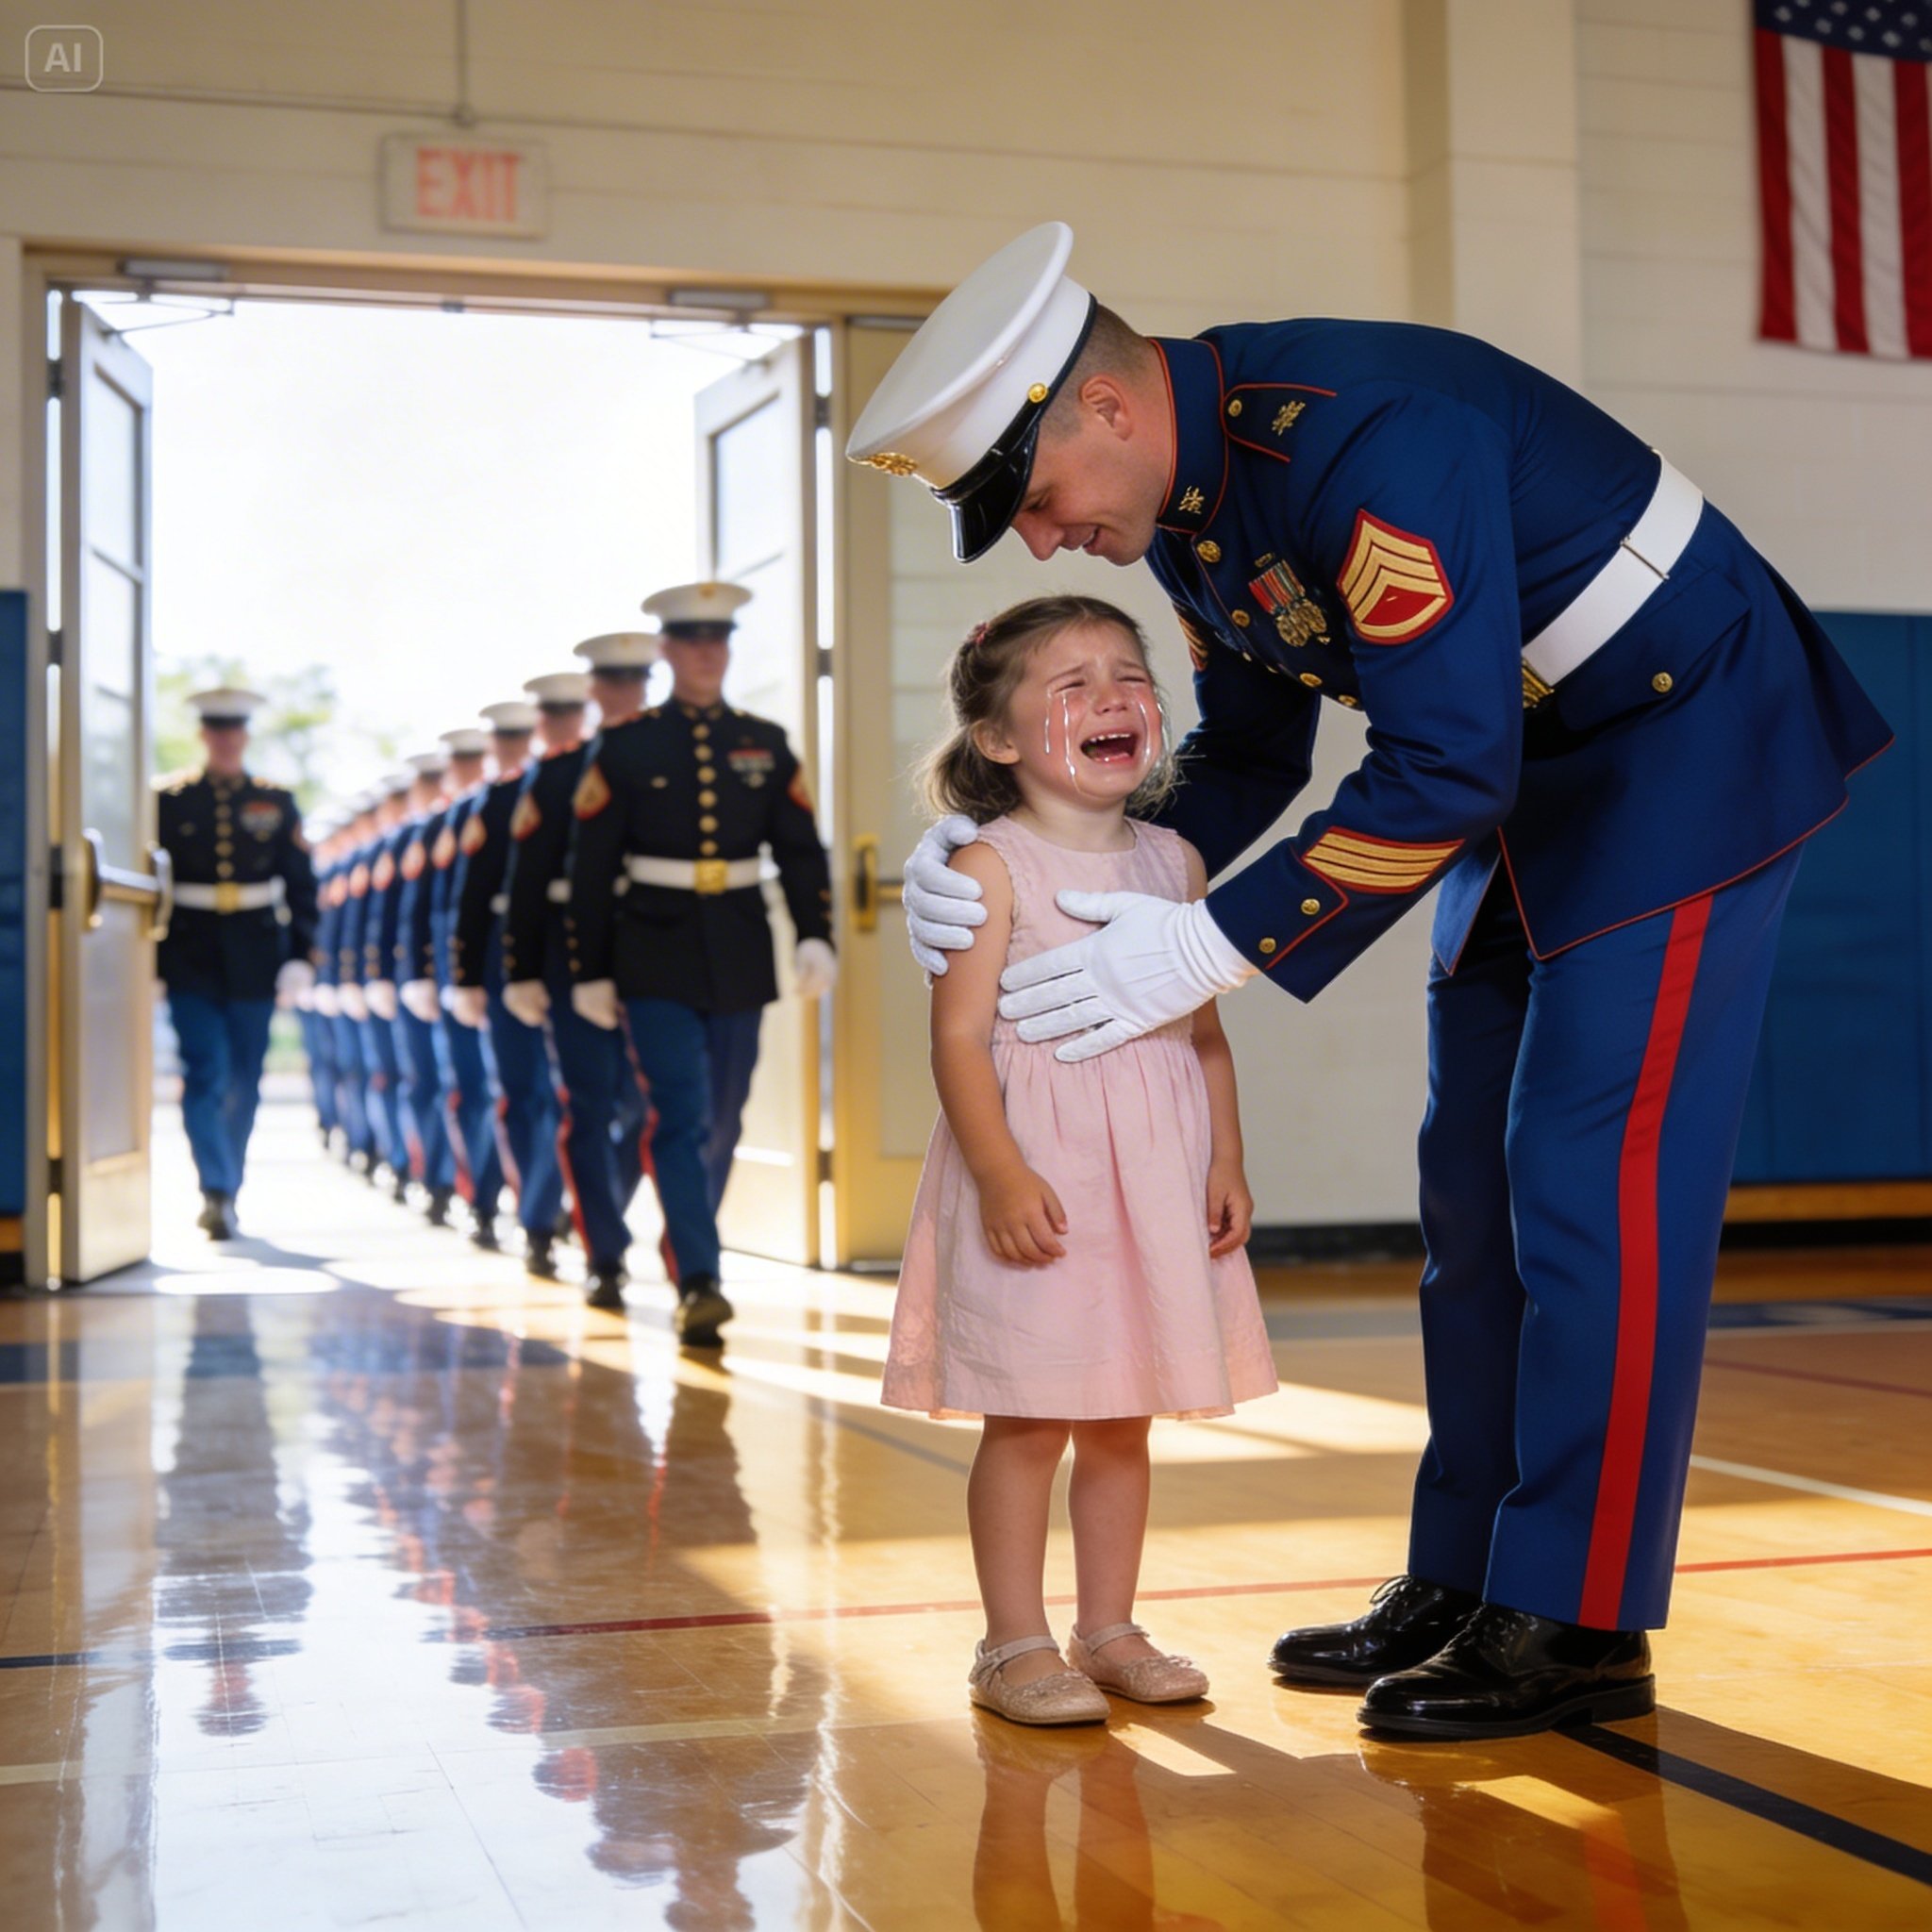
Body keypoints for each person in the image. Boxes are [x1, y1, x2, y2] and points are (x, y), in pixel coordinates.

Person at [847, 223, 1891, 1740]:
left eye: (1036, 496)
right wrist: (1055, 866)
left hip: (1679, 751)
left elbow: (1446, 755)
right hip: (1519, 780)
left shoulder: (1356, 440)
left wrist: (1201, 945)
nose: (1040, 539)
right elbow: (1258, 753)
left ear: (1108, 412)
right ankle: (1468, 1575)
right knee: (1469, 1188)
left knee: (1591, 1187)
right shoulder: (1201, 509)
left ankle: (1579, 1613)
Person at [883, 595, 1275, 1725]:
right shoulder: (990, 868)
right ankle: (1011, 1641)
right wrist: (1001, 1174)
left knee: (1122, 1414)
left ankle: (1108, 1626)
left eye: (1127, 673)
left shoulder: (1175, 859)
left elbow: (1201, 1028)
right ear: (996, 739)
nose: (1111, 697)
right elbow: (956, 1037)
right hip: (1040, 1176)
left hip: (1149, 1180)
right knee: (1029, 1415)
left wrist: (1224, 1158)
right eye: (1071, 684)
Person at [566, 586, 838, 1343]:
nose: (707, 654)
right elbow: (591, 867)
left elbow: (798, 849)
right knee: (680, 1116)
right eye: (691, 642)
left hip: (740, 947)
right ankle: (699, 1278)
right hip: (651, 950)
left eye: (719, 640)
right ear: (667, 651)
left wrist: (816, 934)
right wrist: (588, 969)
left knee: (723, 1118)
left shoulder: (765, 740)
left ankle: (685, 1241)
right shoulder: (625, 746)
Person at [155, 688, 318, 1240]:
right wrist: (151, 960)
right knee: (204, 1071)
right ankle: (215, 1190)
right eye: (216, 729)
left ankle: (231, 1183)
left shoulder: (275, 801)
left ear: (245, 736)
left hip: (254, 954)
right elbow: (154, 885)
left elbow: (301, 883)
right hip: (189, 950)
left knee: (244, 1078)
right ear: (204, 735)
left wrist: (301, 954)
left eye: (235, 729)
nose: (226, 738)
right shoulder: (170, 800)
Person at [451, 699, 571, 1274]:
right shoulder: (494, 803)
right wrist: (466, 977)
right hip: (509, 957)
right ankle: (536, 1211)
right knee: (521, 1094)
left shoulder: (583, 784)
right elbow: (470, 900)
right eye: (507, 738)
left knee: (579, 1099)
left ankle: (549, 1205)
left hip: (574, 953)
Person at [497, 669, 602, 1283]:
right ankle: (539, 1218)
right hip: (539, 957)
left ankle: (585, 1211)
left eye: (572, 712)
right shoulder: (518, 791)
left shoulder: (606, 770)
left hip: (611, 952)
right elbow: (494, 892)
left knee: (623, 1108)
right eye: (552, 714)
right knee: (537, 1097)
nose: (562, 724)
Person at [414, 728, 507, 1243]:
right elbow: (431, 906)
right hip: (462, 972)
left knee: (521, 1095)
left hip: (516, 965)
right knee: (467, 1089)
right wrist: (425, 973)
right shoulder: (448, 823)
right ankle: (477, 1194)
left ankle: (520, 1200)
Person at [376, 751, 458, 1226]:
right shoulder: (413, 839)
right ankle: (430, 1172)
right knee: (416, 1081)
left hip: (458, 975)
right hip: (419, 978)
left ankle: (468, 1187)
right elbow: (392, 917)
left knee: (467, 1087)